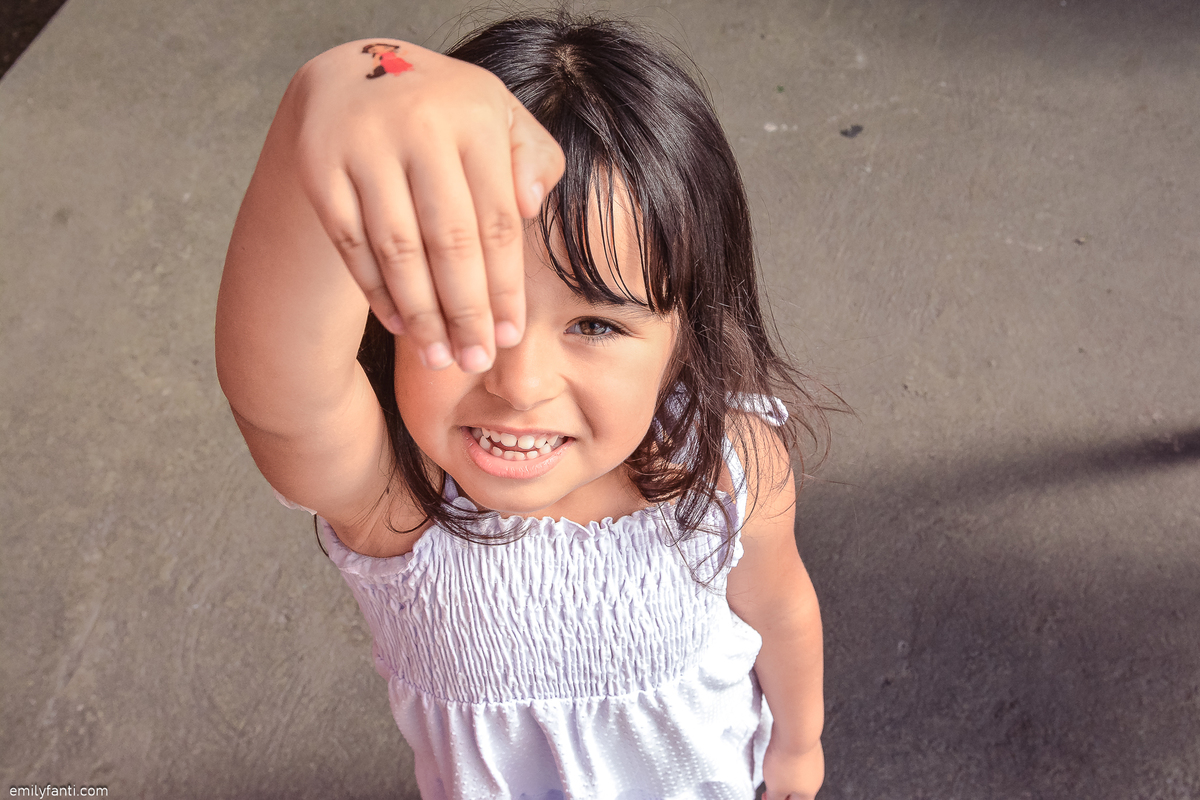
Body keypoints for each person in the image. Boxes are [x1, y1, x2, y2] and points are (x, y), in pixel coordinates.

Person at [216, 13, 827, 800]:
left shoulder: (729, 468)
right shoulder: (397, 514)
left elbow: (782, 608)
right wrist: (324, 99)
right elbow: (277, 394)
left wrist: (798, 747)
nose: (518, 383)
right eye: (460, 306)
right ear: (381, 307)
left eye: (596, 323)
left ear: (685, 335)